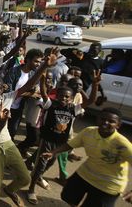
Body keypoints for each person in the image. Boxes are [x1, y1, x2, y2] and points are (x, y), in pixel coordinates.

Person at [0, 47, 59, 206]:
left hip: (8, 143)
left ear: (3, 89)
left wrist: (44, 66)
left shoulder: (8, 97)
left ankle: (10, 190)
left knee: (25, 178)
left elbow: (28, 85)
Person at [26, 70, 100, 205]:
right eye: (61, 96)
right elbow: (43, 93)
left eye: (67, 97)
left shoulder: (73, 108)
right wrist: (42, 79)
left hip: (60, 142)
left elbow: (91, 101)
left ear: (71, 99)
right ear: (57, 96)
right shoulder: (51, 104)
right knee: (40, 165)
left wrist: (94, 85)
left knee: (51, 162)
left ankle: (37, 176)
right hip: (47, 140)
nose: (64, 98)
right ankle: (31, 189)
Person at [43, 107, 132, 207]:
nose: (106, 122)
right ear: (98, 119)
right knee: (68, 196)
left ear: (118, 125)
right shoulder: (88, 132)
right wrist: (53, 152)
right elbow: (71, 144)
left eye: (111, 121)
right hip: (86, 174)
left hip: (108, 185)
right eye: (103, 119)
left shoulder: (123, 144)